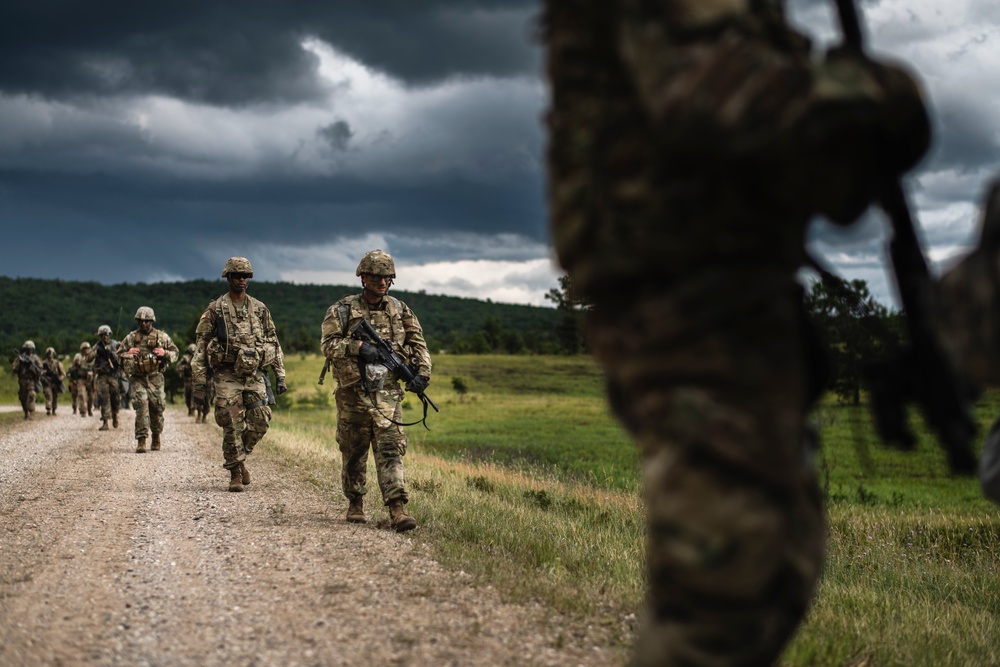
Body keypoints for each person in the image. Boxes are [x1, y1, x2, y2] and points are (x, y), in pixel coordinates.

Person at [542, 2, 931, 665]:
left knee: (779, 554)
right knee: (726, 579)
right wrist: (881, 93)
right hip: (682, 285)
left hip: (737, 280)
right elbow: (706, 91)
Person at [320, 249, 431, 531]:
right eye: (378, 276)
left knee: (390, 449)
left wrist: (421, 373)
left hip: (388, 393)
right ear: (364, 277)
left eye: (388, 277)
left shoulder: (400, 309)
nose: (383, 282)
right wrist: (358, 347)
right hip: (353, 391)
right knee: (354, 450)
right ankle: (355, 502)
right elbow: (328, 345)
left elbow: (418, 344)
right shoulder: (343, 309)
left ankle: (397, 509)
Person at [192, 257, 287, 491]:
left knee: (261, 421)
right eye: (237, 275)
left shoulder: (260, 309)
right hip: (227, 375)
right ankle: (235, 471)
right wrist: (199, 384)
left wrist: (280, 374)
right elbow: (201, 347)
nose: (242, 279)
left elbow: (273, 343)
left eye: (245, 276)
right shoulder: (216, 309)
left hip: (254, 374)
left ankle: (240, 457)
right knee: (231, 422)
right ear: (228, 278)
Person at [119, 307, 179, 453]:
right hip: (137, 378)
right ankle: (141, 440)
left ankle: (156, 436)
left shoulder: (161, 337)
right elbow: (117, 354)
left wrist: (165, 353)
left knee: (157, 408)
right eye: (140, 321)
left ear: (151, 321)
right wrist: (127, 352)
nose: (143, 323)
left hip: (155, 378)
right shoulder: (131, 338)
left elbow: (175, 353)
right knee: (141, 405)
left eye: (146, 321)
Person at [88, 324, 121, 431]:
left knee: (115, 398)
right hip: (102, 376)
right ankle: (106, 421)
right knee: (104, 398)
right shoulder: (97, 346)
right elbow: (87, 358)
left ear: (110, 335)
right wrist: (97, 353)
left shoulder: (115, 344)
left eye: (107, 335)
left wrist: (113, 354)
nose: (105, 337)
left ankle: (115, 414)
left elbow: (122, 356)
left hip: (114, 375)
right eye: (103, 335)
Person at [12, 340, 44, 420]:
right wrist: (20, 363)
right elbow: (14, 368)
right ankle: (26, 412)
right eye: (27, 348)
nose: (29, 350)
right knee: (23, 397)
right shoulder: (20, 357)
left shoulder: (35, 358)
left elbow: (40, 368)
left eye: (30, 348)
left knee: (32, 395)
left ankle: (31, 412)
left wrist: (33, 369)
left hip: (31, 380)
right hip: (22, 380)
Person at [71, 342, 95, 418]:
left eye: (87, 348)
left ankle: (90, 409)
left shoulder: (93, 358)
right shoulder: (78, 357)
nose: (86, 350)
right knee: (81, 395)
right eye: (84, 349)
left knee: (91, 396)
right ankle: (83, 411)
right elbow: (73, 369)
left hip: (90, 380)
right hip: (81, 379)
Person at [40, 347, 66, 416]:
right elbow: (40, 373)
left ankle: (54, 409)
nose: (50, 355)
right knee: (48, 395)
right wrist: (44, 376)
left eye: (51, 354)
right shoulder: (43, 363)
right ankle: (48, 409)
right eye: (49, 354)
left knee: (55, 396)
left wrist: (59, 379)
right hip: (47, 382)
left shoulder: (57, 363)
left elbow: (63, 373)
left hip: (55, 382)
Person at [177, 343, 197, 416]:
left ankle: (193, 409)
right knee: (187, 396)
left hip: (194, 380)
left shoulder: (197, 359)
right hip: (187, 380)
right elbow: (178, 366)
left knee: (193, 396)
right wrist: (184, 367)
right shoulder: (185, 358)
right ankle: (189, 408)